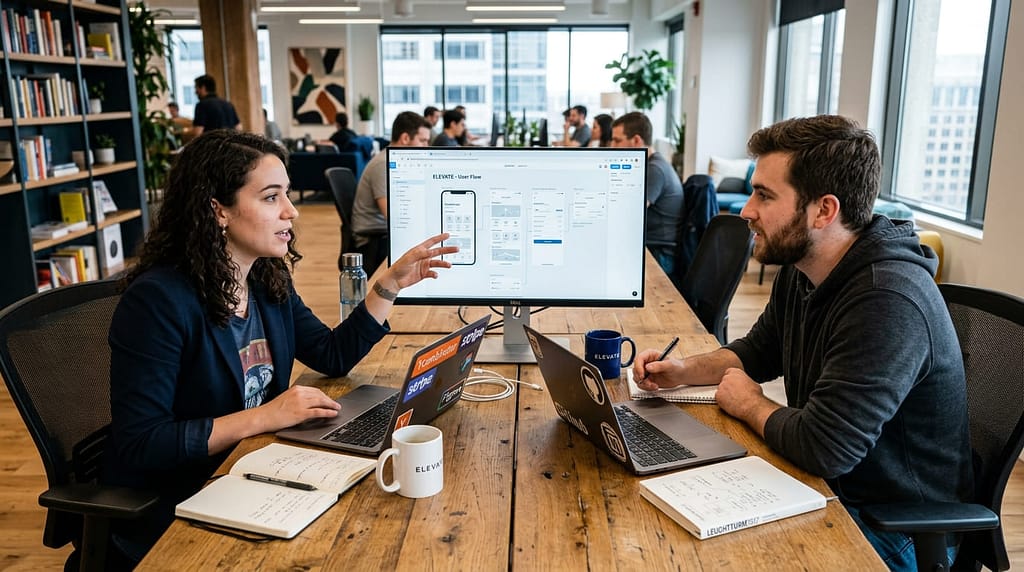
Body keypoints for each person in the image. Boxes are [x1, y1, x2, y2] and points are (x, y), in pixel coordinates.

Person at [632, 115, 972, 571]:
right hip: (828, 486)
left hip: (894, 528)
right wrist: (684, 371)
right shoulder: (805, 267)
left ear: (823, 211)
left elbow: (824, 447)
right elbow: (758, 351)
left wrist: (751, 404)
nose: (746, 210)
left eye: (765, 195)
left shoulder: (887, 300)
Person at [102, 130, 457, 566]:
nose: (291, 211)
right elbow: (142, 443)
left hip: (256, 470)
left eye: (287, 195)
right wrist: (266, 416)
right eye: (271, 198)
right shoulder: (157, 301)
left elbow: (332, 355)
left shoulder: (266, 280)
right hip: (182, 498)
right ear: (218, 210)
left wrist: (388, 285)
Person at [352, 111, 432, 273]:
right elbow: (394, 218)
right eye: (422, 141)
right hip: (374, 240)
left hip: (383, 234)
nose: (426, 147)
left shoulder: (397, 162)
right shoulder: (383, 165)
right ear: (405, 138)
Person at [609, 112, 682, 276]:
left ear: (636, 140)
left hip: (659, 254)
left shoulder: (654, 170)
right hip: (651, 246)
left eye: (617, 140)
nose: (612, 146)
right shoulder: (651, 164)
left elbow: (630, 215)